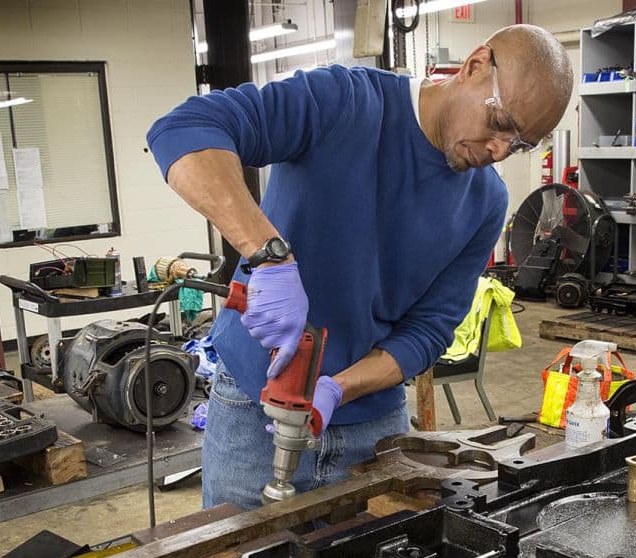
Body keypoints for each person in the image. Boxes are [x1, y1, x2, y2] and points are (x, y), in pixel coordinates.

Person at [148, 24, 574, 509]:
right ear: (475, 66)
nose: (500, 150)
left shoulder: (486, 201)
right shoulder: (343, 101)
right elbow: (182, 129)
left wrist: (338, 389)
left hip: (372, 426)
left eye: (520, 144)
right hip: (254, 406)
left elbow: (430, 331)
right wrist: (267, 255)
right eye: (500, 123)